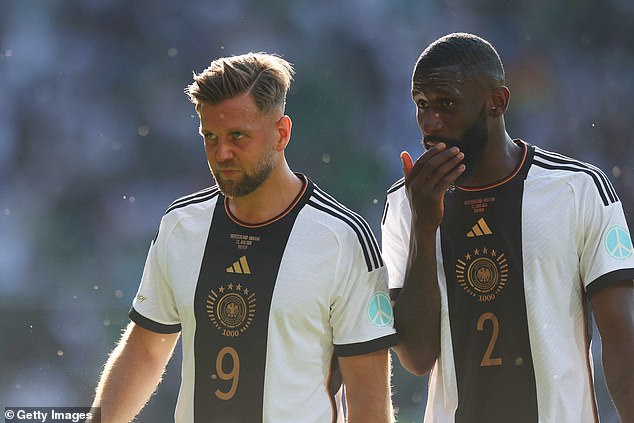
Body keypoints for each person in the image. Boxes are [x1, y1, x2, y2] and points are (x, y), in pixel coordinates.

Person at [91, 52, 397, 423]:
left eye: (238, 136)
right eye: (211, 137)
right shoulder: (180, 225)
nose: (222, 153)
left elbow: (369, 398)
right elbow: (145, 351)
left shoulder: (343, 239)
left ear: (281, 133)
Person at [382, 33, 634, 422]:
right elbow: (416, 357)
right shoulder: (405, 203)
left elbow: (622, 345)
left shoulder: (578, 189)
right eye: (421, 105)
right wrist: (423, 228)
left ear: (496, 103)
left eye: (446, 103)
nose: (430, 123)